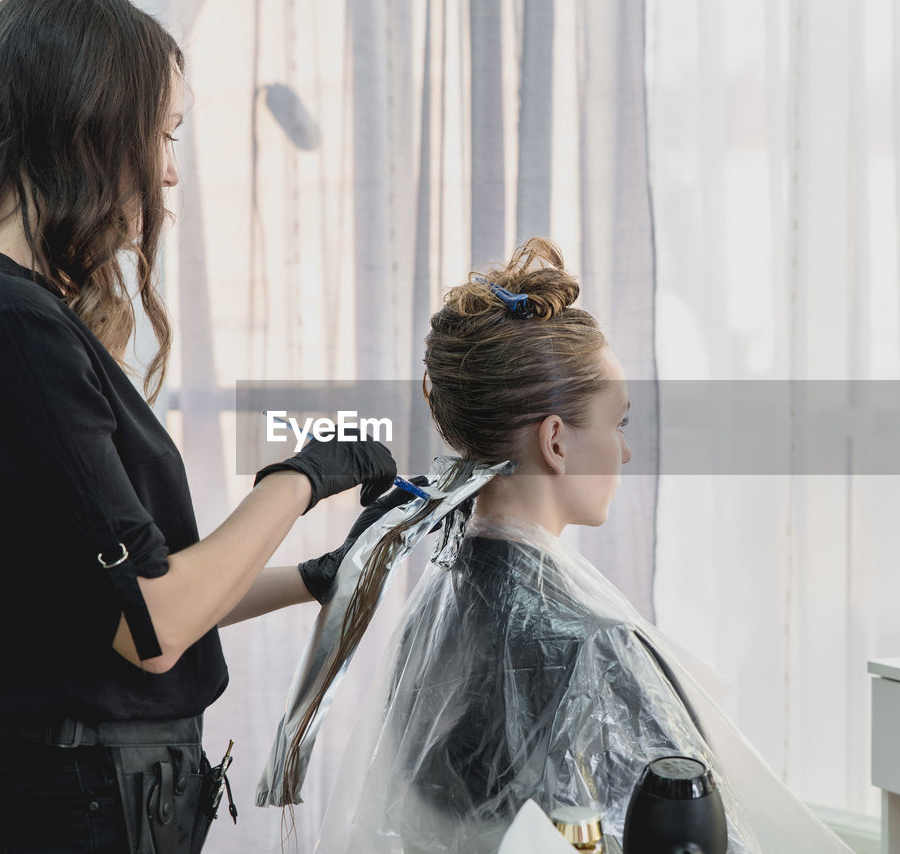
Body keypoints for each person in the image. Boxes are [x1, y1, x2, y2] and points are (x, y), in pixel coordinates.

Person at [0, 1, 407, 851]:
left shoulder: (9, 320)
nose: (169, 174)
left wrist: (317, 576)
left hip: (58, 802)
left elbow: (117, 610)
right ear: (89, 128)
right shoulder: (4, 328)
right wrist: (302, 478)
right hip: (40, 814)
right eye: (164, 136)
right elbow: (154, 626)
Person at [313, 238, 852, 853]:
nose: (624, 451)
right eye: (617, 423)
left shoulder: (436, 612)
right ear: (557, 442)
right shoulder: (589, 642)